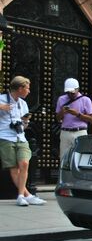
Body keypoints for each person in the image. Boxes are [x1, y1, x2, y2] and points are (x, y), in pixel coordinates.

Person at [0, 76, 46, 206]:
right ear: (20, 88)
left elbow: (24, 126)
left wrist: (25, 122)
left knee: (25, 163)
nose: (29, 91)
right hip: (5, 137)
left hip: (20, 136)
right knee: (14, 169)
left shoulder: (23, 104)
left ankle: (23, 195)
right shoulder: (2, 98)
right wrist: (1, 107)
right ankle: (24, 196)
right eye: (27, 88)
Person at [55, 78, 92, 161]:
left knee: (80, 158)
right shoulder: (61, 99)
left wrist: (77, 114)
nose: (70, 95)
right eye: (68, 93)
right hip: (65, 132)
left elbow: (91, 119)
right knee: (64, 158)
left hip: (80, 132)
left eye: (72, 93)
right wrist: (62, 112)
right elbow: (57, 118)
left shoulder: (85, 100)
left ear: (77, 89)